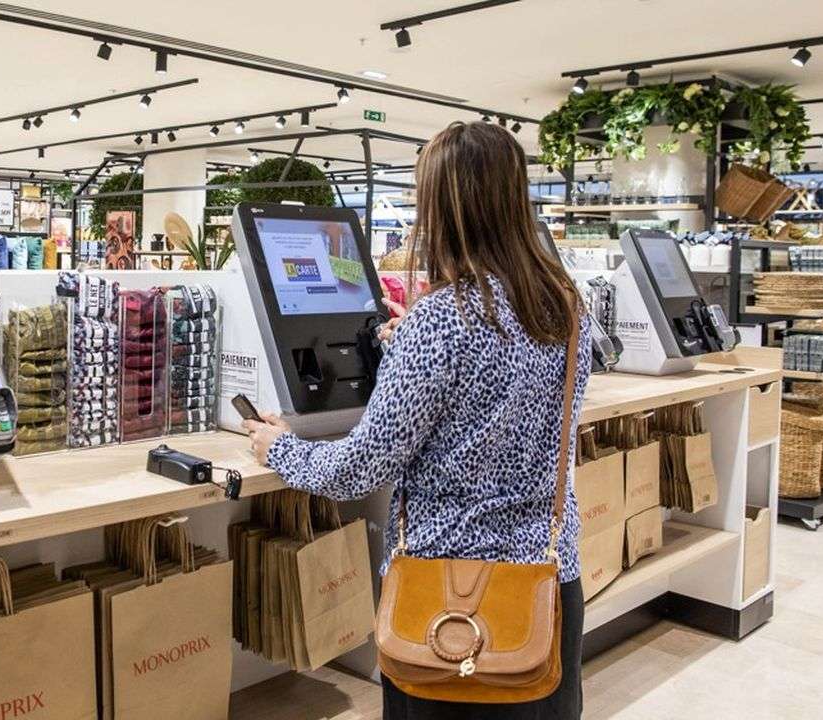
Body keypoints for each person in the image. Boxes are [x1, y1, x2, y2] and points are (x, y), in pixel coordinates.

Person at [244, 120, 590, 720]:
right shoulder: (565, 308)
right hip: (547, 586)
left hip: (452, 601)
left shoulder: (441, 320)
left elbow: (359, 470)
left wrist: (277, 447)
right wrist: (415, 350)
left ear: (444, 208)